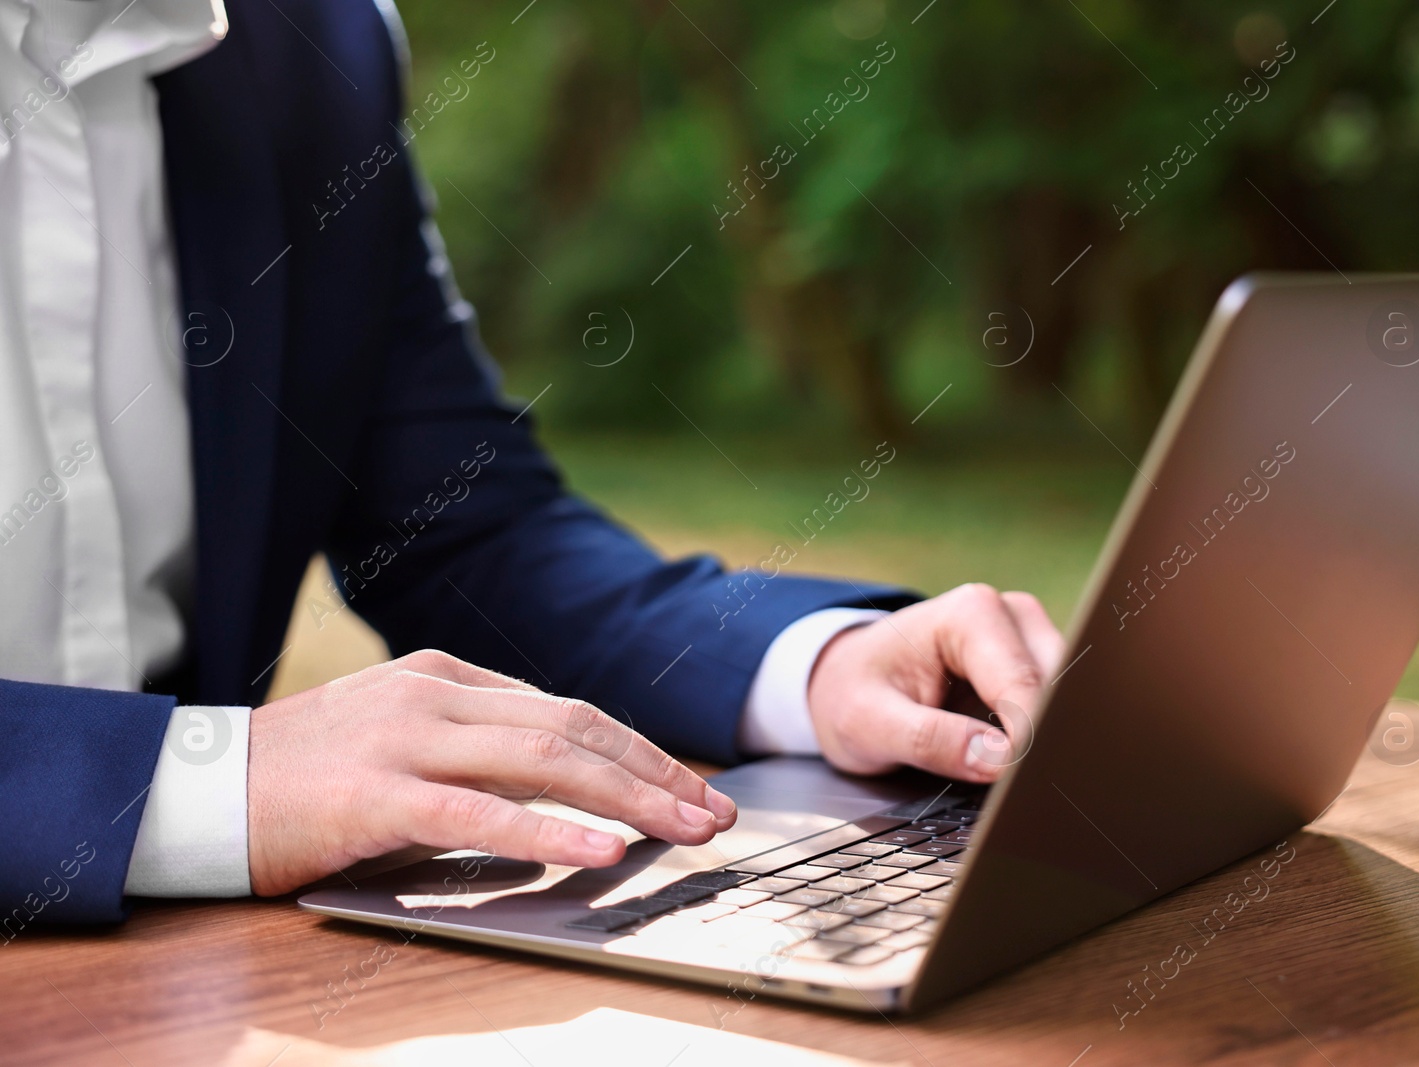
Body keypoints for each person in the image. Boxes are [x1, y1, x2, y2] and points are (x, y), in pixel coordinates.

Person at [0, 0, 1064, 929]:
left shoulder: (310, 44)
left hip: (175, 986)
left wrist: (815, 665)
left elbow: (469, 524)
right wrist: (212, 790)